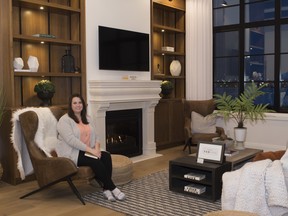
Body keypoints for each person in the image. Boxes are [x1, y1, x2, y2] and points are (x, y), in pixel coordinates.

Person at [56, 93, 126, 201]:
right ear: (70, 105)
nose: (78, 105)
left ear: (83, 104)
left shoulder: (87, 118)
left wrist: (97, 149)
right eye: (75, 103)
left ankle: (106, 189)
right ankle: (114, 188)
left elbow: (96, 136)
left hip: (88, 149)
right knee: (95, 161)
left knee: (106, 156)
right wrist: (92, 151)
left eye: (80, 102)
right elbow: (71, 141)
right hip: (73, 152)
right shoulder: (64, 120)